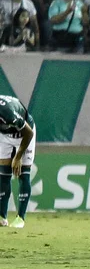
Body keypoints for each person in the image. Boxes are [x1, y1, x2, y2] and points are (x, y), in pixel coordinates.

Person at [0, 95, 34, 228]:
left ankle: (20, 218)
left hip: (25, 134)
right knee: (3, 174)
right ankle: (2, 217)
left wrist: (18, 157)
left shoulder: (7, 113)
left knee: (23, 173)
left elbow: (29, 133)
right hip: (4, 135)